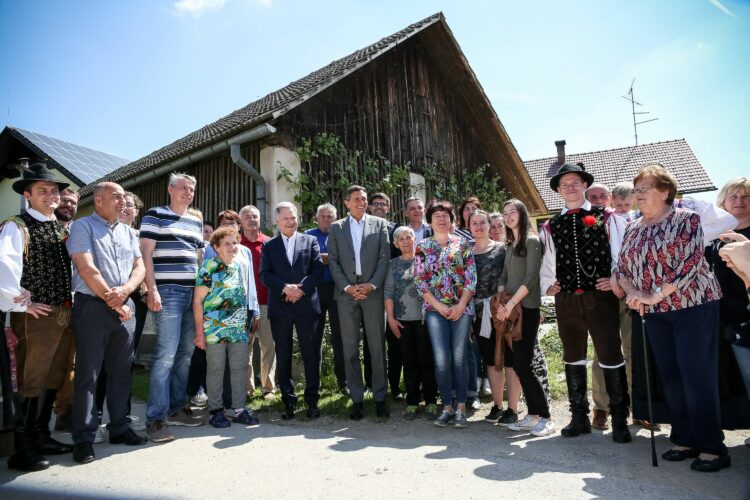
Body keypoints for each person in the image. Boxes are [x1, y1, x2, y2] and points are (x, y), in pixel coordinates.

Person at [616, 163, 729, 472]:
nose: (638, 195)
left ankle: (712, 446)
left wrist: (653, 295)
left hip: (693, 306)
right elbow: (622, 269)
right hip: (655, 312)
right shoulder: (632, 227)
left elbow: (691, 264)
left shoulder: (687, 220)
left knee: (696, 376)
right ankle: (685, 437)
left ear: (665, 192)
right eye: (636, 190)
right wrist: (633, 293)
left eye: (644, 189)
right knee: (671, 376)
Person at [540, 162, 631, 444]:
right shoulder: (551, 225)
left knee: (610, 356)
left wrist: (615, 278)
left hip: (600, 298)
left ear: (584, 186)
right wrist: (548, 284)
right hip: (567, 300)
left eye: (575, 182)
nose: (570, 186)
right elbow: (548, 261)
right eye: (564, 183)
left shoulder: (608, 217)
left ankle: (619, 419)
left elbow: (621, 253)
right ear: (558, 189)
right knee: (572, 356)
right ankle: (578, 417)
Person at [0, 163, 74, 470]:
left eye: (54, 190)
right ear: (28, 195)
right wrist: (19, 305)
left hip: (63, 314)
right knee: (31, 380)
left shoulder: (61, 229)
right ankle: (22, 447)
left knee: (53, 377)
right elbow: (5, 265)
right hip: (37, 317)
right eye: (42, 191)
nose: (51, 195)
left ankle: (40, 434)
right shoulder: (16, 226)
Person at [67, 182, 148, 464]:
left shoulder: (128, 232)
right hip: (92, 307)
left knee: (121, 372)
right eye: (117, 197)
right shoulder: (82, 227)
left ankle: (120, 428)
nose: (122, 202)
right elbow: (85, 266)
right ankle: (84, 438)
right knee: (88, 375)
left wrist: (125, 292)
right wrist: (111, 299)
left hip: (124, 308)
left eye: (124, 198)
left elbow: (140, 267)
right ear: (98, 200)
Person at [140, 172, 205, 443]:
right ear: (170, 189)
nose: (187, 192)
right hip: (167, 292)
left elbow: (198, 259)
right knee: (165, 354)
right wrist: (151, 289)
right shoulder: (155, 215)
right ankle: (155, 418)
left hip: (193, 294)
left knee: (185, 354)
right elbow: (145, 254)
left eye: (191, 189)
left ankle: (178, 407)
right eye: (182, 188)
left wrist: (203, 295)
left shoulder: (195, 221)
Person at [328, 185, 390, 419]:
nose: (362, 202)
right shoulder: (336, 228)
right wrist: (347, 287)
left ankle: (380, 397)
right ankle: (356, 398)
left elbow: (384, 258)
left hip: (372, 293)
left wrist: (372, 284)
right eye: (356, 199)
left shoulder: (379, 224)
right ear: (347, 203)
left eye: (364, 199)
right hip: (346, 295)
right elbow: (333, 261)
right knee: (350, 348)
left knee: (376, 348)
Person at [414, 200, 476, 429]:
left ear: (452, 220)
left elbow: (471, 277)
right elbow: (420, 280)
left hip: (462, 308)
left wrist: (461, 305)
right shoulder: (422, 247)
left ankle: (461, 408)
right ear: (430, 221)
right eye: (437, 215)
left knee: (459, 358)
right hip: (434, 310)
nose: (441, 219)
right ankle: (447, 407)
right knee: (441, 360)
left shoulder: (464, 245)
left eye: (445, 215)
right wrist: (439, 306)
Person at [189, 210, 261, 409]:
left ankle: (239, 409)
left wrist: (253, 313)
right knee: (216, 370)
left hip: (237, 328)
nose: (232, 247)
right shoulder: (208, 268)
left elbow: (246, 293)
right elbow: (197, 302)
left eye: (235, 243)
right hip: (214, 328)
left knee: (238, 368)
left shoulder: (238, 267)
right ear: (216, 247)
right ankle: (216, 410)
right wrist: (199, 332)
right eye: (227, 243)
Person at [260, 203, 324, 419]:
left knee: (311, 354)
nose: (291, 221)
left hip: (307, 307)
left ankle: (312, 401)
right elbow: (265, 275)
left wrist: (301, 290)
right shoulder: (269, 246)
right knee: (284, 354)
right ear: (277, 221)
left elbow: (317, 270)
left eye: (294, 217)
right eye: (286, 218)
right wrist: (285, 288)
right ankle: (288, 401)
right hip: (281, 307)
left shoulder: (310, 241)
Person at [497, 199, 555, 437]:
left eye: (513, 212)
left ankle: (546, 417)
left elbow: (531, 279)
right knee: (518, 363)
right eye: (505, 213)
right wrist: (500, 301)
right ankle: (532, 416)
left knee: (524, 364)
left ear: (521, 214)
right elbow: (504, 275)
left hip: (526, 310)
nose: (508, 216)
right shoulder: (510, 245)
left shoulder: (532, 241)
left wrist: (509, 304)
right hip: (510, 310)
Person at [93, 192, 148, 439]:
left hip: (135, 301)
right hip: (103, 296)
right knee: (99, 364)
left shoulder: (137, 236)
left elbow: (143, 268)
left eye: (131, 205)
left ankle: (120, 418)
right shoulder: (99, 231)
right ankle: (93, 417)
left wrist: (145, 291)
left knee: (124, 362)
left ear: (136, 211)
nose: (126, 208)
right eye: (122, 204)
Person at [468, 209, 520, 424]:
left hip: (503, 311)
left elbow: (510, 278)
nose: (479, 226)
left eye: (483, 222)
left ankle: (513, 408)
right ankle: (497, 405)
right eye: (474, 223)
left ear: (490, 225)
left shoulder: (502, 249)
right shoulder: (465, 252)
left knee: (510, 359)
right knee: (491, 360)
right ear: (469, 227)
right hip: (479, 314)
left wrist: (505, 305)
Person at [710, 178, 750, 446]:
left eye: (745, 196)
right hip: (722, 317)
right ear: (722, 201)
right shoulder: (714, 237)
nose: (739, 200)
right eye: (732, 196)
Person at [384, 226, 438, 420]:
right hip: (402, 321)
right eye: (401, 239)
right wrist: (391, 319)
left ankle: (431, 401)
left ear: (416, 239)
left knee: (427, 360)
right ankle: (413, 402)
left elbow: (436, 286)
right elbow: (388, 292)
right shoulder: (392, 265)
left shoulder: (426, 260)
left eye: (409, 237)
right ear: (396, 244)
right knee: (409, 362)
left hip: (426, 319)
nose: (406, 241)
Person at [305, 203, 347, 393]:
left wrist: (325, 257)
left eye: (330, 216)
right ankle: (314, 383)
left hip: (338, 291)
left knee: (341, 337)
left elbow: (346, 259)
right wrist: (332, 257)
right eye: (323, 216)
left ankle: (343, 382)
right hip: (314, 291)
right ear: (316, 218)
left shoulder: (342, 233)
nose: (326, 219)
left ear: (336, 218)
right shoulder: (308, 235)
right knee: (314, 337)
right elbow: (309, 260)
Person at [239, 205, 276, 400]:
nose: (252, 219)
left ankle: (268, 387)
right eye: (247, 217)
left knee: (268, 345)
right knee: (245, 347)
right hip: (244, 306)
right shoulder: (236, 245)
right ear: (241, 221)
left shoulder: (270, 244)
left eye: (255, 216)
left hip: (268, 303)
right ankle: (247, 387)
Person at [368, 192, 403, 400]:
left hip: (393, 293)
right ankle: (371, 384)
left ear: (388, 208)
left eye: (383, 204)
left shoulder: (397, 230)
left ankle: (395, 387)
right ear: (370, 207)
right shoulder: (364, 229)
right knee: (372, 338)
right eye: (376, 204)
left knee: (394, 339)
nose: (379, 207)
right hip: (370, 290)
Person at [52, 187, 79, 433]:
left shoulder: (77, 232)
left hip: (74, 304)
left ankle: (64, 413)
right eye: (64, 200)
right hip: (45, 306)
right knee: (42, 362)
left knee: (72, 363)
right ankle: (29, 421)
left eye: (73, 202)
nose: (69, 205)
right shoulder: (36, 228)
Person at [456, 196, 483, 410]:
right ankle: (459, 391)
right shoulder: (455, 236)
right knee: (462, 346)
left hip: (481, 295)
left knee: (476, 345)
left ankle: (474, 391)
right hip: (458, 298)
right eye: (467, 209)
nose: (470, 212)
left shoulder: (482, 233)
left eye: (475, 209)